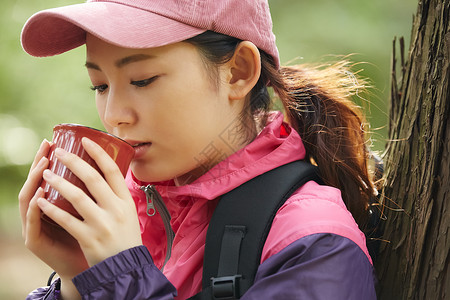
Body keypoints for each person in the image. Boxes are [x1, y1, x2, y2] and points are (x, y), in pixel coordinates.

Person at [19, 0, 378, 299]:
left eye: (142, 80)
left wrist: (122, 280)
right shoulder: (127, 214)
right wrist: (76, 281)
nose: (113, 115)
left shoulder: (312, 246)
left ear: (238, 72)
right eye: (98, 86)